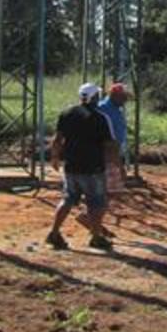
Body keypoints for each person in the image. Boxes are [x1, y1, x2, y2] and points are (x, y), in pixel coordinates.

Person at [46, 83, 113, 251]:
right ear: (94, 98)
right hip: (93, 168)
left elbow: (57, 140)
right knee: (97, 203)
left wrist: (54, 158)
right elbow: (109, 145)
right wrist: (115, 165)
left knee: (67, 199)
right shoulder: (100, 118)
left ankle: (54, 233)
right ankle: (96, 237)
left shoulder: (66, 114)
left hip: (70, 166)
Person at [97, 82, 130, 190]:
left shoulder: (116, 109)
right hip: (106, 153)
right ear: (114, 96)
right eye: (123, 97)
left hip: (114, 152)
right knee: (109, 188)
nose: (125, 100)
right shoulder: (102, 108)